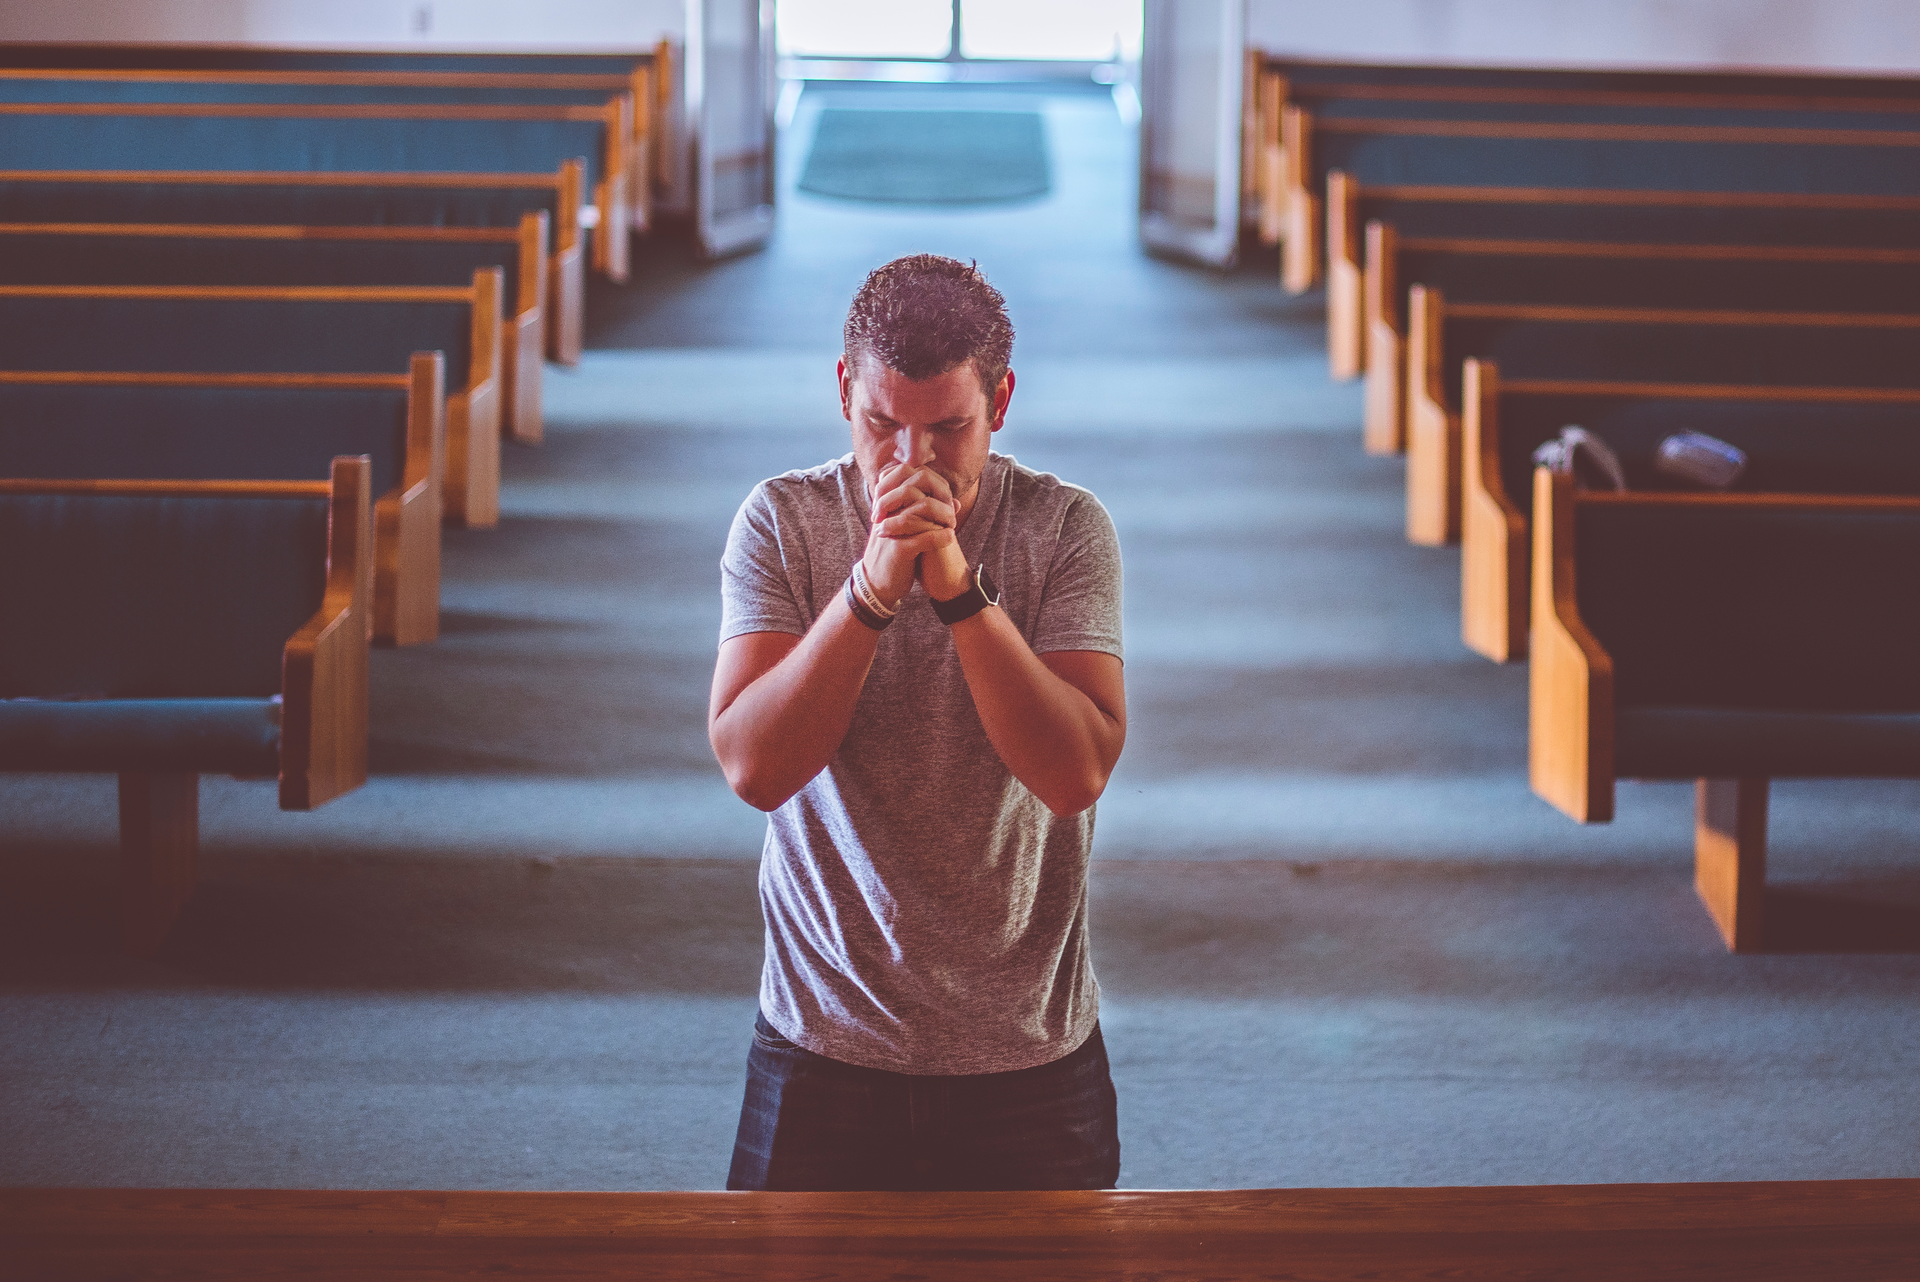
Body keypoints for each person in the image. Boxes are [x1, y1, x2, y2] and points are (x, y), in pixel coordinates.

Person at [708, 254, 1128, 1191]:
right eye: (881, 427)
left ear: (1002, 402)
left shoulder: (1064, 528)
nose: (912, 463)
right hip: (822, 1041)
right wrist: (867, 590)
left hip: (1028, 1053)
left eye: (949, 430)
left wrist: (958, 591)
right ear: (844, 391)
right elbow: (755, 769)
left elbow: (1074, 775)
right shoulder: (782, 522)